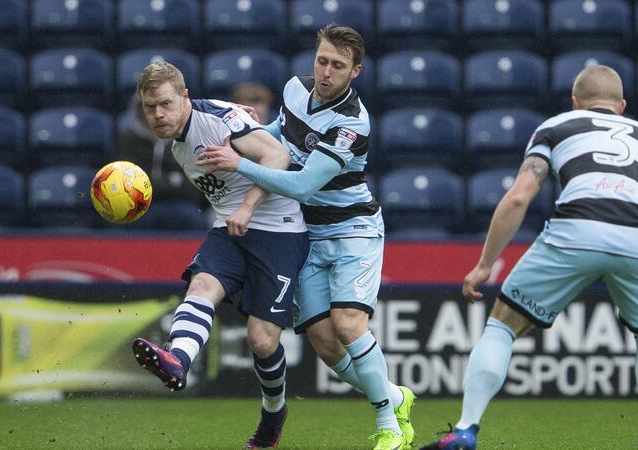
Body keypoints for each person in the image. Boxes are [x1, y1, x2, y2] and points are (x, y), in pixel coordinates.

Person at [419, 66, 638, 450]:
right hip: (637, 237)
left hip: (575, 227)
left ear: (575, 103)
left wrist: (484, 264)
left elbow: (519, 197)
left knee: (503, 326)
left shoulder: (558, 126)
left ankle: (465, 430)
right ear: (622, 107)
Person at [198, 24, 415, 450]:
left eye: (337, 65)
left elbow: (300, 185)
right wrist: (248, 136)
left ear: (355, 72)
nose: (326, 72)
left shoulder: (353, 124)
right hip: (309, 233)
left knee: (349, 326)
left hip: (354, 231)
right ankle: (395, 395)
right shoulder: (296, 88)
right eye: (322, 61)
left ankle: (390, 426)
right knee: (327, 346)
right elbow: (284, 131)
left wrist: (237, 164)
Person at [129, 61, 309, 449]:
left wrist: (246, 207)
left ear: (184, 98)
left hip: (278, 230)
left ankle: (273, 414)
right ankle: (178, 360)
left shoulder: (218, 121)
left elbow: (278, 157)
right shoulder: (176, 138)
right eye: (149, 107)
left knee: (262, 342)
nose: (157, 115)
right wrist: (237, 213)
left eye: (164, 104)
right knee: (203, 284)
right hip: (230, 228)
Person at [116, 94, 204, 207]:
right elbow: (126, 182)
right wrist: (172, 181)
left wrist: (157, 184)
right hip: (138, 204)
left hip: (178, 202)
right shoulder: (128, 141)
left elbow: (195, 187)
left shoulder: (184, 140)